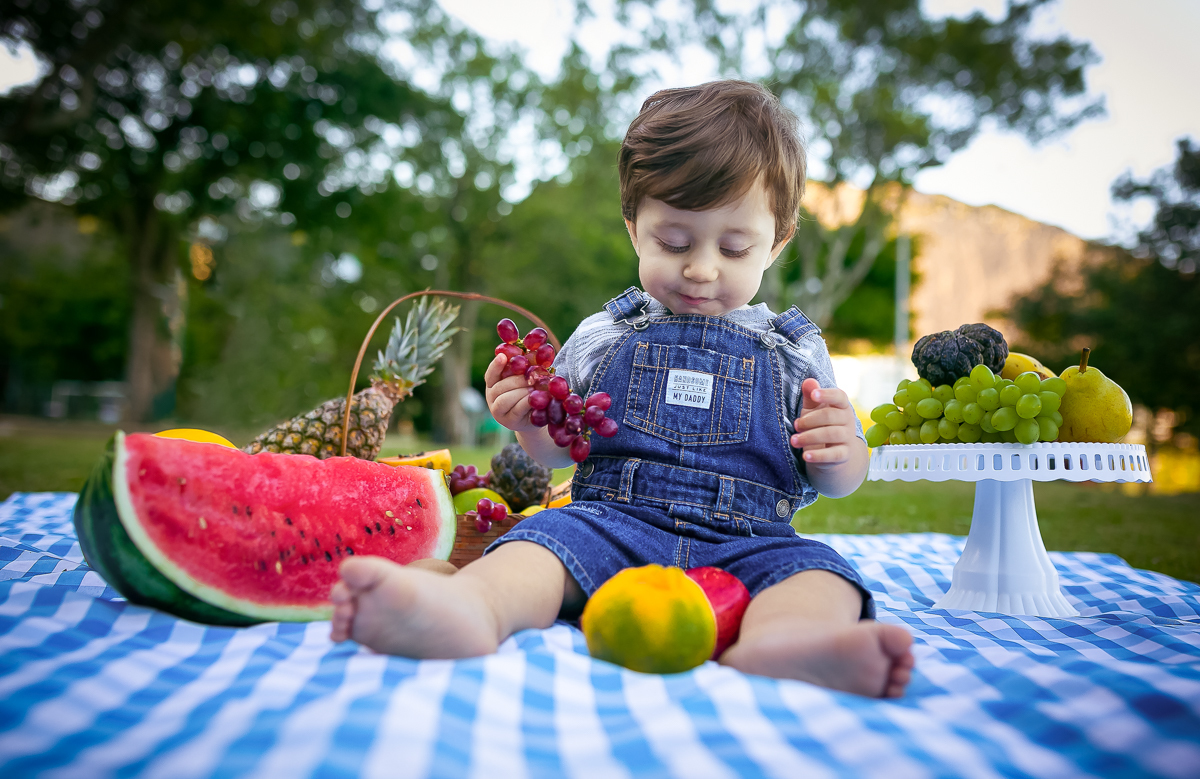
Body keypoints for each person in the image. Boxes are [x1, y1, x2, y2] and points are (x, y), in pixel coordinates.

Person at [331, 80, 914, 698]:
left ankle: (783, 645)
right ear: (635, 228)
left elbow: (835, 478)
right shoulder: (607, 333)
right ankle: (471, 610)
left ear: (777, 243)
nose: (702, 267)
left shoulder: (796, 350)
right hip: (611, 522)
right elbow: (559, 451)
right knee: (538, 547)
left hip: (751, 540)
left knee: (824, 577)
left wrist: (843, 452)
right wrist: (529, 422)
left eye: (735, 247)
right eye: (675, 242)